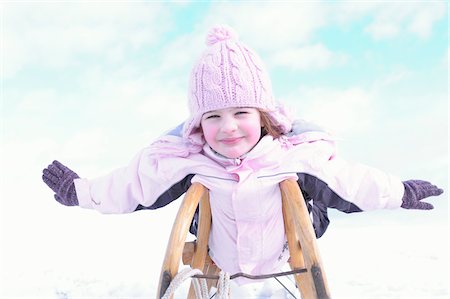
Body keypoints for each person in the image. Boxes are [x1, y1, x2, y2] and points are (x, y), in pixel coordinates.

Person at [42, 25, 443, 292]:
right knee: (196, 198)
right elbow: (136, 183)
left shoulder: (290, 156)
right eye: (213, 117)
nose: (228, 127)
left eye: (241, 114)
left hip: (286, 244)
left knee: (314, 192)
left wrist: (400, 193)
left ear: (263, 117)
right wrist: (80, 192)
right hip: (220, 249)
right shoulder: (192, 160)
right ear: (199, 124)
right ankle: (210, 226)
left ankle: (309, 206)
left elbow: (349, 181)